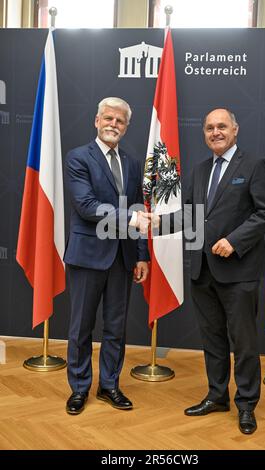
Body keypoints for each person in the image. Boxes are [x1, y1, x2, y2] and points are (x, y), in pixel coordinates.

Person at [184, 108, 265, 434]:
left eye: (222, 126)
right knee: (213, 340)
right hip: (202, 272)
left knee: (244, 343)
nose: (215, 132)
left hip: (239, 272)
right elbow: (191, 219)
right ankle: (217, 395)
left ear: (235, 129)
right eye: (209, 127)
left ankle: (247, 404)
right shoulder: (197, 171)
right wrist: (152, 223)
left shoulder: (254, 165)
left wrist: (234, 241)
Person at [64, 97, 150, 415]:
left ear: (126, 127)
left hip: (123, 258)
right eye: (109, 119)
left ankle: (109, 386)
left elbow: (140, 209)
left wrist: (142, 255)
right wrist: (129, 218)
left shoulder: (130, 162)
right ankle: (79, 388)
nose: (114, 125)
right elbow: (86, 206)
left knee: (116, 327)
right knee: (81, 327)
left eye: (120, 121)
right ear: (97, 121)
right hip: (87, 256)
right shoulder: (78, 158)